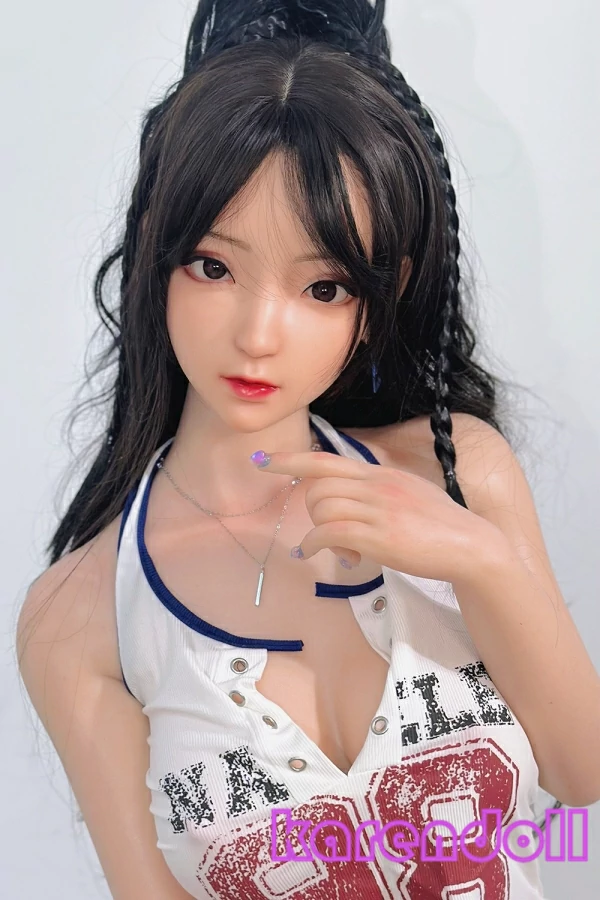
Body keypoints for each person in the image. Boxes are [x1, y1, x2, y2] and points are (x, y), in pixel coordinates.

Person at [16, 1, 600, 898]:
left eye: (323, 287)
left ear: (383, 293)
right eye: (214, 266)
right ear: (155, 255)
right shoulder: (80, 618)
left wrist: (481, 558)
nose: (258, 335)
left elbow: (580, 777)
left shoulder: (462, 474)